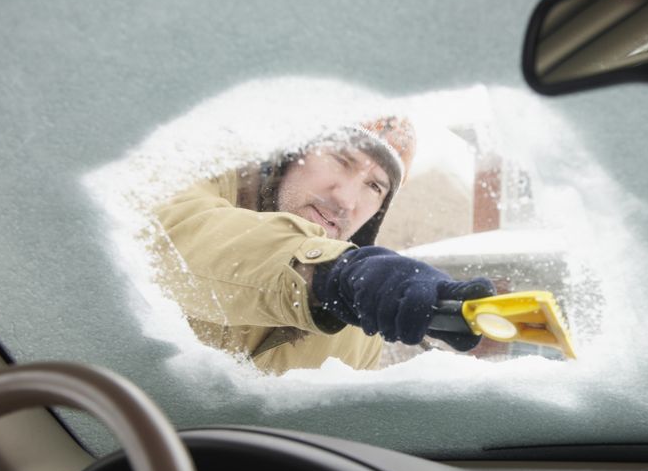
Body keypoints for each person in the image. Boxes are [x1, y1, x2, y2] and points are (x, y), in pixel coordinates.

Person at [151, 116, 495, 374]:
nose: (346, 199)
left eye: (374, 186)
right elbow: (175, 244)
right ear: (294, 153)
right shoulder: (191, 183)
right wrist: (330, 274)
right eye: (341, 160)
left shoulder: (361, 331)